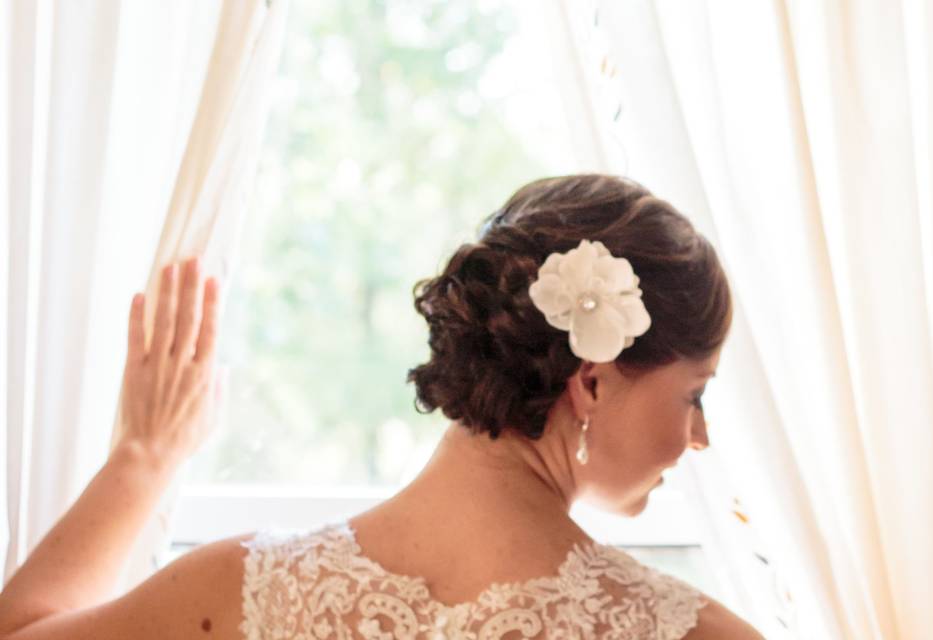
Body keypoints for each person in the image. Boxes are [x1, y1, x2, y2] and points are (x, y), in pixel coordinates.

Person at [0, 174, 764, 639]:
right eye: (694, 396)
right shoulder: (689, 635)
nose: (698, 437)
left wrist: (145, 456)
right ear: (591, 381)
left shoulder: (240, 589)